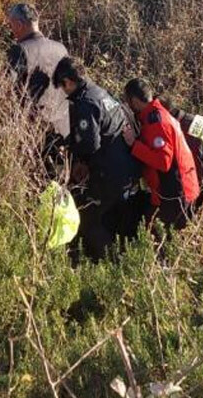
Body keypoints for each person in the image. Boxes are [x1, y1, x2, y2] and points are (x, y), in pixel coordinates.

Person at [53, 57, 141, 260]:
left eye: (63, 87)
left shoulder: (86, 103)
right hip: (127, 170)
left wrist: (69, 151)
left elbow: (89, 145)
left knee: (88, 220)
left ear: (68, 81)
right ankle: (121, 258)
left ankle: (112, 267)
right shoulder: (101, 93)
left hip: (110, 173)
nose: (64, 92)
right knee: (113, 218)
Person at [123, 79, 200, 230]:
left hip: (175, 194)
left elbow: (163, 162)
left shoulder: (156, 122)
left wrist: (134, 145)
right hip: (173, 191)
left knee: (153, 235)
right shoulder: (155, 115)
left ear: (134, 101)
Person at [5, 3, 69, 137]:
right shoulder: (61, 48)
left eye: (11, 25)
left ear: (19, 24)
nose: (11, 30)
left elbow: (6, 89)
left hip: (35, 132)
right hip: (63, 127)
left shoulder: (20, 50)